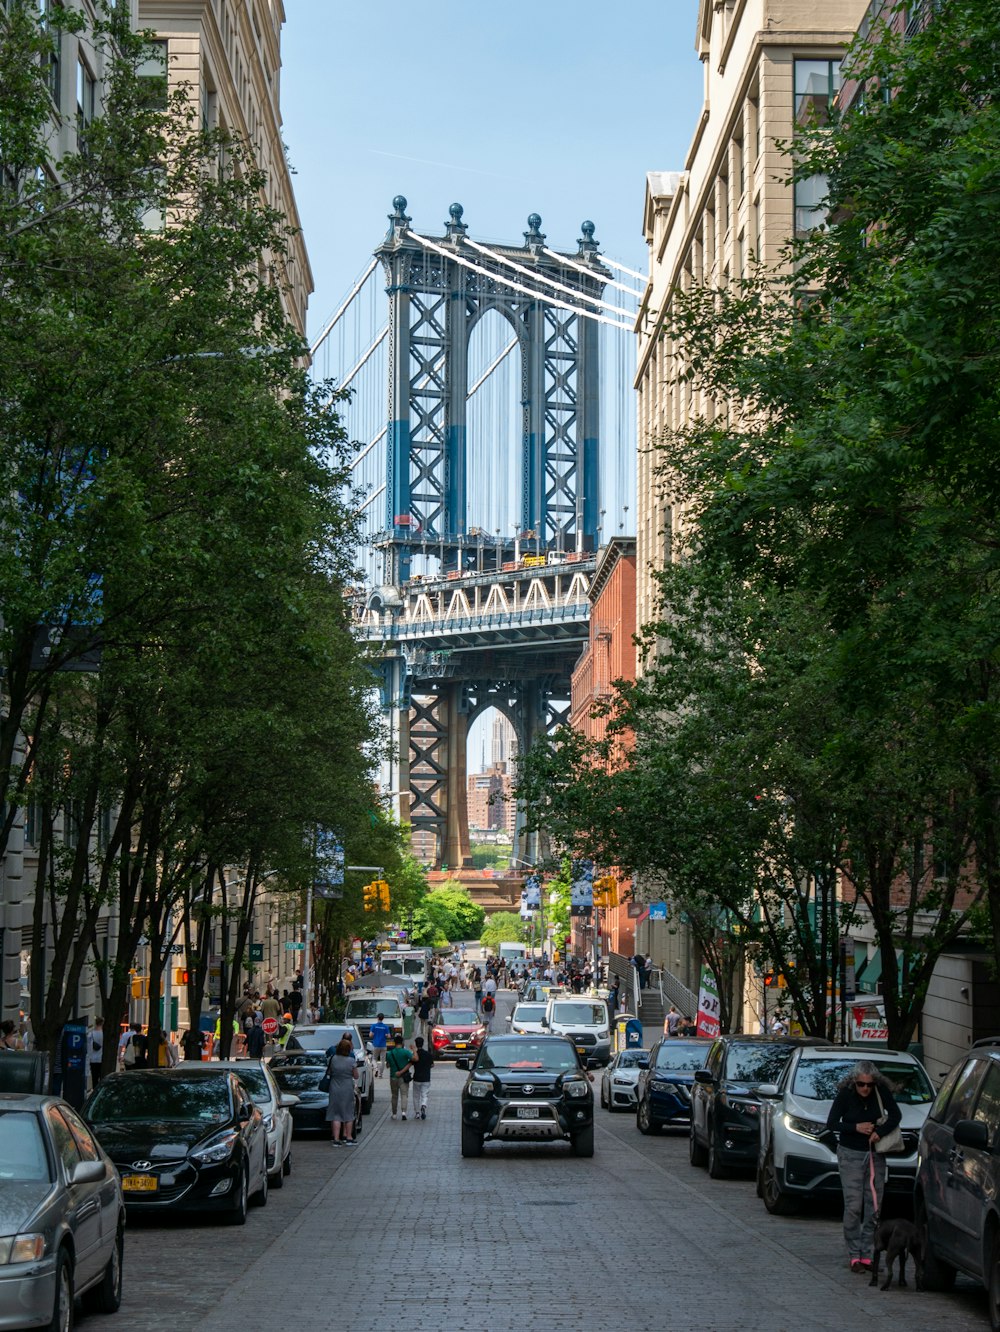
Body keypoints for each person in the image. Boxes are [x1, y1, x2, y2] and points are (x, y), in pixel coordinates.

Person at [826, 1060, 902, 1273]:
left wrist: (880, 1131)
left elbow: (895, 1115)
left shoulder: (881, 1092)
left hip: (875, 1154)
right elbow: (832, 1123)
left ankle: (867, 1254)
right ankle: (854, 1255)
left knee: (874, 1206)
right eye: (861, 1084)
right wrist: (855, 1127)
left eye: (869, 1084)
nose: (865, 1088)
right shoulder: (846, 1095)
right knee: (853, 1206)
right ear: (854, 1082)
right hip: (850, 1153)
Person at [325, 1033, 359, 1144]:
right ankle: (348, 1137)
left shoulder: (333, 1059)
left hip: (334, 1087)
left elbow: (329, 1072)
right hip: (347, 1087)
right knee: (348, 1113)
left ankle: (336, 1139)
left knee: (336, 1114)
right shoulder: (351, 1061)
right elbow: (356, 1076)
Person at [386, 1034, 413, 1120]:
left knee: (394, 1096)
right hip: (403, 1077)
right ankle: (404, 1112)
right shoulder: (405, 1052)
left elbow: (387, 1065)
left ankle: (394, 1114)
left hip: (393, 1077)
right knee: (404, 1095)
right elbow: (413, 1059)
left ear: (394, 1043)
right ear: (402, 1043)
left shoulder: (390, 1053)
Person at [409, 1035, 435, 1119]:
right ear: (423, 1044)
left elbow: (410, 1063)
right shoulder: (428, 1054)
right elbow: (432, 1065)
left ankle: (417, 1113)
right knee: (425, 1094)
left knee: (416, 1096)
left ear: (416, 1044)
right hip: (426, 1078)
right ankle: (423, 1105)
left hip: (417, 1078)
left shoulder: (415, 1055)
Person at [369, 1012, 391, 1076]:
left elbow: (370, 1035)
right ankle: (380, 1074)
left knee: (374, 1059)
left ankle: (376, 1069)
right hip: (383, 1045)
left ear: (377, 1018)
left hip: (376, 1045)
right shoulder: (385, 1027)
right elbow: (389, 1036)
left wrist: (373, 1034)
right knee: (382, 1061)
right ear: (383, 1018)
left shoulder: (374, 1026)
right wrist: (386, 1035)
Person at [87, 1017, 105, 1086]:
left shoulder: (91, 1034)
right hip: (101, 1059)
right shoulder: (103, 1034)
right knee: (102, 1078)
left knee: (94, 1079)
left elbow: (88, 1047)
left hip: (93, 1059)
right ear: (102, 1023)